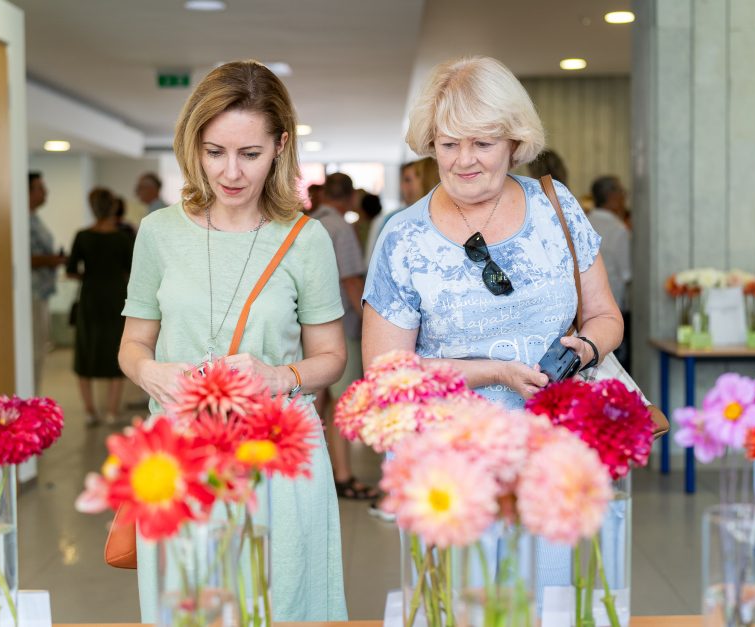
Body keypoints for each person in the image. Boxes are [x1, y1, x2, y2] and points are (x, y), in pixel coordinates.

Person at [362, 53, 623, 607]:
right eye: (448, 143)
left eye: (482, 143)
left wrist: (586, 346)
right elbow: (386, 372)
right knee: (464, 605)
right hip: (451, 464)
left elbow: (606, 315)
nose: (464, 161)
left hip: (560, 447)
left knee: (560, 602)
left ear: (514, 140)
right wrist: (495, 372)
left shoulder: (556, 208)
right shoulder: (403, 239)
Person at [118, 60, 348, 621]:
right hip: (180, 454)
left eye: (250, 153)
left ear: (280, 147)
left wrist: (277, 376)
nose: (232, 172)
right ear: (193, 145)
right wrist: (152, 374)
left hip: (277, 452)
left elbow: (332, 357)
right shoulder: (159, 232)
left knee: (283, 603)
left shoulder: (306, 238)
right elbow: (132, 344)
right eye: (215, 151)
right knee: (188, 608)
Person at [310, 173, 377, 502]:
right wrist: (371, 323)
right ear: (349, 198)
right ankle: (343, 475)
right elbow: (351, 282)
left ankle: (314, 472)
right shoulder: (341, 228)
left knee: (314, 402)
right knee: (342, 403)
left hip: (307, 330)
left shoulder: (308, 223)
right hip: (339, 327)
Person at [66, 187, 134, 426]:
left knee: (86, 348)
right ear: (113, 207)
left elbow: (71, 270)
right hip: (117, 296)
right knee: (117, 347)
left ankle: (89, 410)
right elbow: (132, 270)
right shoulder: (122, 238)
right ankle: (112, 411)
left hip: (90, 297)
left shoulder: (82, 236)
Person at [588, 175, 632, 369]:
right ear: (612, 197)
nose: (625, 198)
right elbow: (628, 274)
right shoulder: (618, 229)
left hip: (584, 309)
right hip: (612, 310)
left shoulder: (584, 220)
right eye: (622, 193)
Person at [29, 171, 67, 393]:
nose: (46, 193)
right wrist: (52, 259)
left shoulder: (34, 218)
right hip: (31, 293)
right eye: (40, 188)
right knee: (33, 349)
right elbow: (24, 256)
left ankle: (34, 394)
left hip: (41, 293)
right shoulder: (22, 220)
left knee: (40, 347)